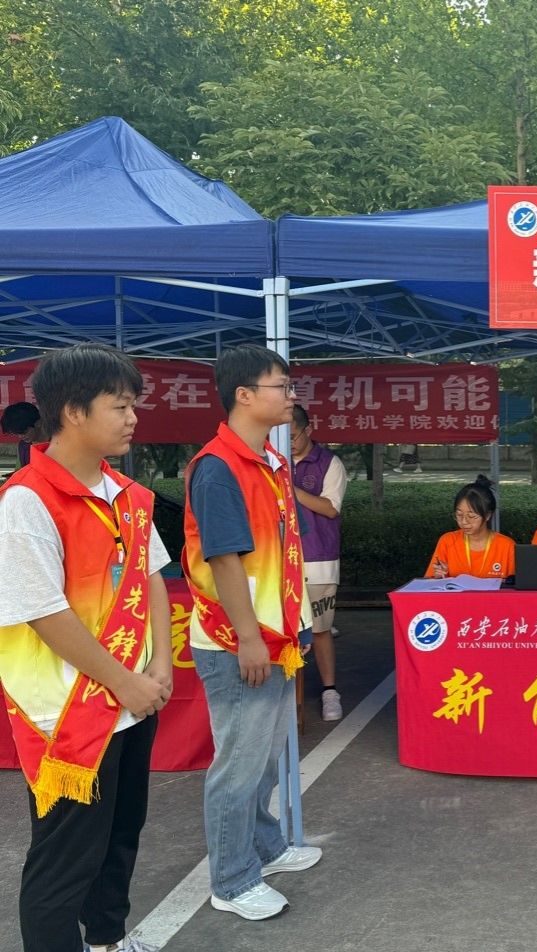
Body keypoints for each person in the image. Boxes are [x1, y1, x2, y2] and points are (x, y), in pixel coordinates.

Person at [0, 344, 172, 952]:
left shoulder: (127, 494)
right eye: (119, 406)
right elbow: (45, 613)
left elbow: (151, 576)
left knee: (119, 840)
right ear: (73, 411)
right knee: (64, 861)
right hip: (70, 714)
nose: (132, 418)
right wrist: (125, 682)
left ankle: (107, 940)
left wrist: (159, 665)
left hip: (134, 700)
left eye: (133, 406)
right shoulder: (27, 501)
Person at [183, 344, 320, 922]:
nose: (291, 396)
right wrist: (248, 638)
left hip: (275, 635)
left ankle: (265, 845)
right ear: (244, 395)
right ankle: (233, 880)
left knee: (265, 757)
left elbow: (280, 553)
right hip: (239, 640)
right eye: (280, 386)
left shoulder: (268, 460)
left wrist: (297, 625)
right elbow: (225, 559)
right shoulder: (218, 467)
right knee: (238, 766)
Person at [290, 405, 349, 722]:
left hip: (319, 561)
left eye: (293, 436)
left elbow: (330, 508)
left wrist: (292, 491)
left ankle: (330, 691)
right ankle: (285, 693)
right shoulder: (271, 461)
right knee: (282, 630)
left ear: (308, 430)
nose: (288, 443)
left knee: (321, 629)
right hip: (278, 561)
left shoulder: (329, 463)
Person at [426, 475, 516, 579]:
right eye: (459, 515)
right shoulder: (447, 541)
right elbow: (429, 582)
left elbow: (517, 586)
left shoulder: (507, 546)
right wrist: (439, 576)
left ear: (487, 515)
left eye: (471, 516)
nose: (464, 522)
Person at [2, 400, 42, 469]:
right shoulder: (23, 446)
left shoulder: (56, 443)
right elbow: (19, 471)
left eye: (24, 432)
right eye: (16, 433)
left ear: (38, 423)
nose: (20, 436)